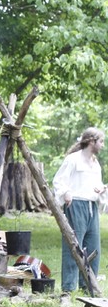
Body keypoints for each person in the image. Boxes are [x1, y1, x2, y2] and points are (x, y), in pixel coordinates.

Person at [52, 127, 107, 297]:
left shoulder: (95, 163)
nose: (103, 145)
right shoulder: (73, 159)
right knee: (73, 246)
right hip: (76, 206)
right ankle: (68, 289)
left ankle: (88, 286)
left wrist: (100, 189)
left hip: (91, 207)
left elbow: (94, 184)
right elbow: (59, 181)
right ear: (91, 141)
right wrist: (66, 193)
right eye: (101, 141)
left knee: (93, 248)